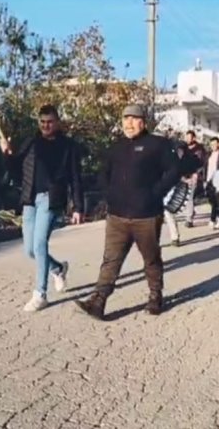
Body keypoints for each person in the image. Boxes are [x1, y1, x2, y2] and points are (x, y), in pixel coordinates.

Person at [75, 104, 180, 319]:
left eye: (133, 119)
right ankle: (98, 300)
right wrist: (109, 194)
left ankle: (155, 296)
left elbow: (174, 170)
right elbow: (103, 173)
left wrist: (156, 192)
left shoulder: (158, 145)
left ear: (143, 122)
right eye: (125, 119)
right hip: (117, 216)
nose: (128, 123)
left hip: (147, 216)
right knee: (111, 259)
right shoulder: (116, 147)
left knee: (151, 258)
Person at [0, 104, 84, 312]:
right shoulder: (31, 143)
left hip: (51, 199)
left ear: (57, 122)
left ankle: (40, 294)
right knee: (30, 250)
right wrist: (7, 154)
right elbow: (16, 172)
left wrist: (78, 207)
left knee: (39, 245)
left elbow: (75, 177)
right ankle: (58, 268)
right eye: (42, 122)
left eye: (50, 122)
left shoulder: (67, 146)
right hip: (29, 199)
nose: (46, 125)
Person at [163, 140, 204, 247]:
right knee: (168, 211)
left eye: (181, 150)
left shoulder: (190, 159)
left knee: (188, 201)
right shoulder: (169, 159)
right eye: (177, 150)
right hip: (172, 185)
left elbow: (198, 166)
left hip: (187, 185)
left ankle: (189, 217)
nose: (179, 153)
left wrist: (195, 175)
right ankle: (175, 237)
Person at [182, 130, 207, 227]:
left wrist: (197, 174)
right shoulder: (183, 148)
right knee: (184, 197)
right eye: (186, 137)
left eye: (189, 137)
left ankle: (189, 220)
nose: (187, 139)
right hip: (184, 176)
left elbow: (202, 163)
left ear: (193, 138)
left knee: (190, 197)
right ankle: (191, 212)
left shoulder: (199, 149)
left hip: (194, 176)